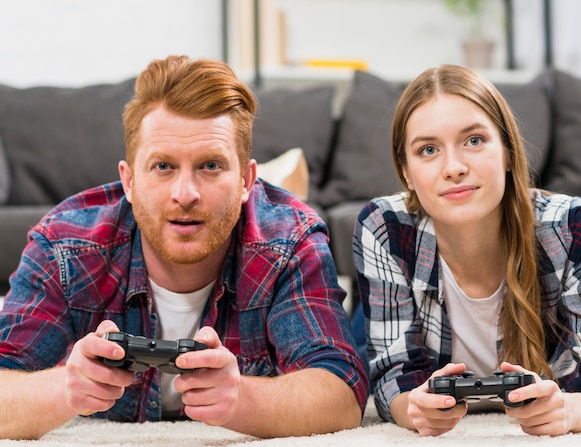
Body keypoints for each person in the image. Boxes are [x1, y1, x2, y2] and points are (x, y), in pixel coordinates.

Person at [0, 55, 368, 440]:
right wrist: (65, 388)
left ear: (245, 179)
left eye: (210, 165)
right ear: (128, 181)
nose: (185, 194)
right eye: (163, 167)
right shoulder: (66, 244)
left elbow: (342, 395)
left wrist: (243, 399)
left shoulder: (290, 240)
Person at [353, 64, 581, 437]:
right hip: (401, 304)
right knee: (352, 362)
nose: (454, 168)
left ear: (509, 152)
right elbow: (392, 380)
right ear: (405, 173)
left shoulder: (572, 226)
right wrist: (412, 408)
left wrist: (571, 411)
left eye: (474, 140)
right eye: (428, 149)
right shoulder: (383, 226)